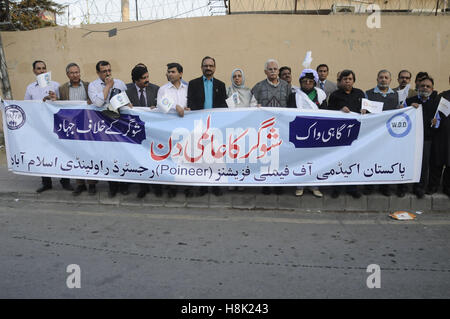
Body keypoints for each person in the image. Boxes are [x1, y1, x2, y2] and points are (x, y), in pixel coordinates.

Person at [24, 60, 72, 193]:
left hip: (55, 125)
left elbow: (63, 104)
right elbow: (27, 106)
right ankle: (46, 182)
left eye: (44, 68)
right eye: (38, 69)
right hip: (40, 126)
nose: (42, 71)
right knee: (42, 153)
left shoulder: (56, 85)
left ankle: (65, 181)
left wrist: (54, 98)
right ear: (34, 71)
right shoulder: (30, 88)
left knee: (60, 152)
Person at [88, 60, 129, 198]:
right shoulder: (93, 86)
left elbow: (127, 103)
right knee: (109, 157)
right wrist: (108, 86)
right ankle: (112, 186)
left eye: (109, 70)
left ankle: (123, 185)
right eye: (104, 71)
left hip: (119, 125)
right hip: (102, 127)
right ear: (98, 73)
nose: (107, 73)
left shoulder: (120, 83)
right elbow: (99, 102)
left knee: (121, 156)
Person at [187, 56, 227, 197]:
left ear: (215, 68)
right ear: (201, 67)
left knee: (215, 156)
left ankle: (215, 184)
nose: (208, 68)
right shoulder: (193, 84)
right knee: (201, 156)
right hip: (198, 125)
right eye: (206, 66)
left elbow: (223, 105)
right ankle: (203, 185)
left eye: (211, 66)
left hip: (216, 126)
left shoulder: (221, 85)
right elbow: (190, 103)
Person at [252, 59, 292, 195]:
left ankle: (279, 183)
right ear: (265, 72)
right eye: (270, 69)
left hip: (281, 128)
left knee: (280, 156)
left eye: (275, 69)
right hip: (264, 128)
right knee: (265, 156)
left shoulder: (286, 86)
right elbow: (251, 105)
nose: (273, 71)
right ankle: (266, 183)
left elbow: (291, 105)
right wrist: (255, 108)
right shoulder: (258, 87)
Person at [58, 62, 97, 196]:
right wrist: (53, 99)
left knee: (89, 155)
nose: (75, 75)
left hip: (88, 126)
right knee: (75, 155)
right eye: (72, 73)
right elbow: (59, 105)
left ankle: (92, 184)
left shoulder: (89, 86)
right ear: (67, 74)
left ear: (80, 73)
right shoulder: (62, 89)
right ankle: (80, 184)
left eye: (77, 72)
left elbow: (97, 101)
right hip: (71, 127)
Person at [287, 69, 325, 198]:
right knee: (300, 159)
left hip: (318, 131)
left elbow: (327, 112)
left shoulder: (321, 95)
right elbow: (290, 112)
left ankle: (315, 186)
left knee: (316, 160)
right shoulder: (294, 95)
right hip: (300, 131)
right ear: (301, 82)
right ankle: (299, 185)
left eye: (310, 81)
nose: (307, 83)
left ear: (314, 82)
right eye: (305, 81)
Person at [328, 70, 365, 199]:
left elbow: (370, 110)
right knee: (338, 161)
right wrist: (340, 111)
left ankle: (352, 188)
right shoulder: (334, 95)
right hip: (339, 133)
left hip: (356, 133)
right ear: (340, 81)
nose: (347, 81)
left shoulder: (360, 94)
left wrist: (365, 110)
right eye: (345, 79)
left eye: (350, 79)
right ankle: (336, 188)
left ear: (353, 80)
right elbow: (328, 113)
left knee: (353, 161)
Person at [363, 70, 401, 197]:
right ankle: (369, 186)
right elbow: (365, 112)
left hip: (390, 135)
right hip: (373, 134)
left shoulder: (396, 95)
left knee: (387, 160)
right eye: (381, 77)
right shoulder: (368, 94)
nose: (383, 79)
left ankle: (386, 187)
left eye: (386, 77)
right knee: (371, 159)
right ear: (377, 79)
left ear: (390, 80)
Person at [404, 77, 440, 199]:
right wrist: (407, 108)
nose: (425, 88)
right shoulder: (409, 101)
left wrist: (436, 123)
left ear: (432, 89)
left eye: (428, 86)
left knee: (423, 165)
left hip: (426, 140)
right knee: (406, 162)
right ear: (418, 87)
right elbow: (401, 114)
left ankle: (420, 188)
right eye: (422, 85)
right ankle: (403, 188)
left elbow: (438, 121)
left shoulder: (436, 104)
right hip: (410, 139)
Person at [430, 75, 450, 197]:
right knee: (437, 162)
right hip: (441, 135)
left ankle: (447, 188)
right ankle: (433, 186)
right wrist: (435, 123)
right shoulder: (442, 97)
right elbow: (435, 114)